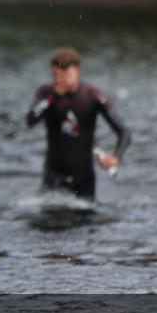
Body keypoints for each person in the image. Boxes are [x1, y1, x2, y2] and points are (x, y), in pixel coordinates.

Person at [25, 47, 131, 201]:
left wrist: (116, 157)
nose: (61, 81)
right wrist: (54, 96)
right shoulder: (46, 93)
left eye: (66, 75)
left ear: (77, 70)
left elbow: (124, 132)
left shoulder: (92, 96)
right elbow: (30, 120)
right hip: (53, 177)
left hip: (83, 179)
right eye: (56, 76)